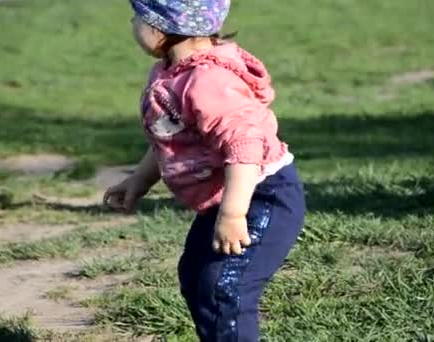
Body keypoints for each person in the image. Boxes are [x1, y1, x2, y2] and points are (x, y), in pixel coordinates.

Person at [104, 1, 306, 340]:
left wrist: (233, 214)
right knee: (196, 276)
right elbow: (172, 138)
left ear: (160, 28)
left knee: (223, 286)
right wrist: (139, 180)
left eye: (137, 17)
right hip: (228, 199)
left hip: (260, 195)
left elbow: (245, 148)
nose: (132, 24)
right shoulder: (172, 72)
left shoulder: (208, 81)